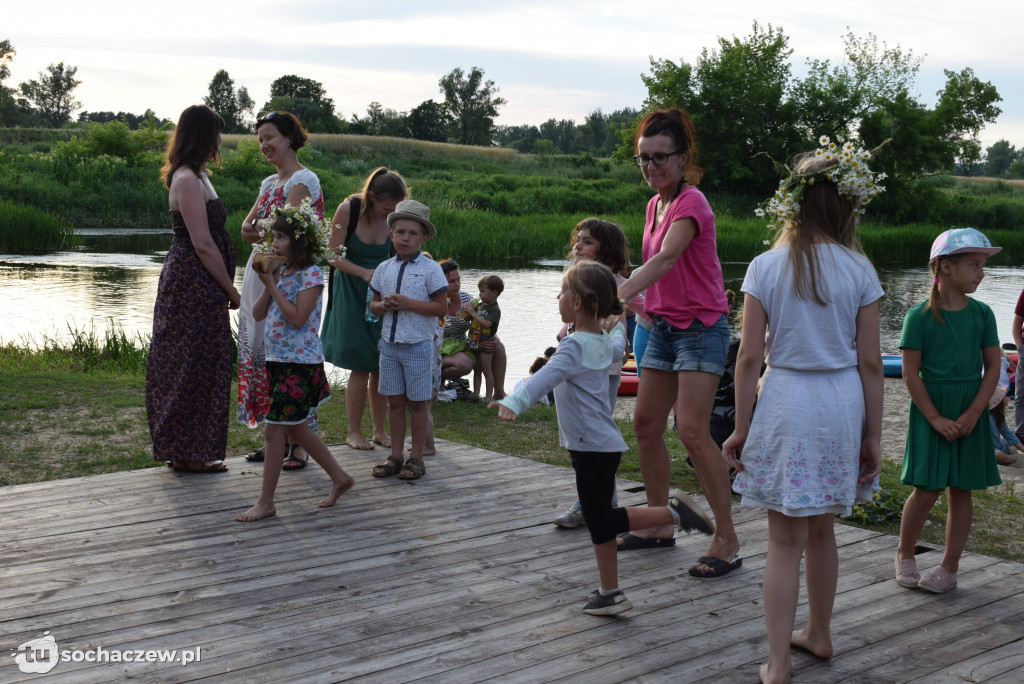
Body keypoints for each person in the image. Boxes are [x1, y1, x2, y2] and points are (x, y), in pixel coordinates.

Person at [722, 138, 885, 684]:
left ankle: (779, 660)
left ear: (792, 204)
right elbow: (868, 363)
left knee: (783, 539)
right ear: (845, 206)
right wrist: (873, 435)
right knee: (822, 532)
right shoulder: (860, 269)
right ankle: (819, 632)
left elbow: (747, 358)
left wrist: (742, 428)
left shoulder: (766, 267)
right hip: (839, 401)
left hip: (787, 400)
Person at [493, 261, 713, 616]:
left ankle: (672, 515)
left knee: (601, 520)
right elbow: (616, 344)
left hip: (591, 447)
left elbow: (544, 378)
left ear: (578, 302)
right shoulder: (600, 342)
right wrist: (617, 325)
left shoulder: (572, 347)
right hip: (601, 445)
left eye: (562, 292)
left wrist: (514, 402)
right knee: (601, 520)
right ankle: (610, 590)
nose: (558, 298)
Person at [615, 109, 737, 575]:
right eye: (642, 159)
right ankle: (659, 525)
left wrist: (617, 295)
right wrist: (634, 301)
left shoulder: (692, 203)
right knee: (645, 426)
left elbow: (666, 260)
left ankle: (726, 536)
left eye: (660, 158)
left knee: (691, 431)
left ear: (683, 159)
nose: (650, 167)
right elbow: (657, 276)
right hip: (662, 328)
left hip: (702, 329)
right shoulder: (654, 205)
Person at [896, 227, 1003, 595]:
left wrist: (976, 412)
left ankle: (949, 568)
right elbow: (910, 374)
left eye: (983, 265)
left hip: (969, 410)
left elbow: (993, 368)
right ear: (944, 266)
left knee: (962, 490)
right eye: (975, 264)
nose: (981, 272)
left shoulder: (983, 314)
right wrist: (935, 418)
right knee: (926, 490)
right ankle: (905, 553)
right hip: (932, 410)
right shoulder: (919, 317)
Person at [236, 202, 355, 521]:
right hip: (277, 361)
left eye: (281, 237)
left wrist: (274, 287)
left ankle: (266, 502)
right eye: (273, 236)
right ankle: (340, 478)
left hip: (300, 364)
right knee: (297, 428)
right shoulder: (282, 271)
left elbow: (299, 319)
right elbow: (260, 314)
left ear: (300, 242)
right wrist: (268, 281)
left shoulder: (310, 275)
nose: (273, 243)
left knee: (275, 431)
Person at [146, 104, 239, 473]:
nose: (220, 139)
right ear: (203, 135)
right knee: (189, 363)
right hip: (191, 285)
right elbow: (201, 243)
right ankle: (186, 452)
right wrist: (231, 290)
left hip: (201, 284)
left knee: (205, 361)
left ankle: (194, 450)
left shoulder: (199, 175)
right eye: (216, 132)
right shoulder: (185, 178)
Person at [237, 111, 324, 471]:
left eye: (270, 137)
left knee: (291, 353)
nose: (264, 145)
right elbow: (246, 229)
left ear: (289, 138)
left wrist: (265, 230)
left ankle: (299, 445)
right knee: (263, 349)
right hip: (260, 270)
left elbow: (283, 230)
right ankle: (274, 439)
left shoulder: (303, 179)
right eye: (259, 139)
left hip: (288, 275)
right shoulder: (269, 182)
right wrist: (264, 229)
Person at [553, 218, 635, 529]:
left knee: (594, 437)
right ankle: (596, 501)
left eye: (588, 242)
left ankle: (599, 503)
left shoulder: (610, 282)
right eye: (578, 240)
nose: (578, 246)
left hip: (601, 369)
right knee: (582, 438)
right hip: (579, 367)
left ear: (607, 250)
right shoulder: (580, 278)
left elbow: (619, 325)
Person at [321, 167, 410, 450]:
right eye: (387, 208)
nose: (391, 214)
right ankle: (353, 432)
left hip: (381, 295)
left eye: (396, 208)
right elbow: (331, 255)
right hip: (350, 291)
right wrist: (361, 273)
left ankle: (379, 431)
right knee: (360, 364)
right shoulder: (348, 209)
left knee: (381, 363)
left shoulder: (393, 216)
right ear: (371, 197)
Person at [368, 200, 448, 481]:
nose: (405, 238)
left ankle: (416, 457)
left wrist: (408, 303)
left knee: (418, 403)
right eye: (400, 232)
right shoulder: (383, 268)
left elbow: (442, 308)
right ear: (391, 235)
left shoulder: (430, 269)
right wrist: (384, 306)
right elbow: (373, 305)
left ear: (424, 238)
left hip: (417, 345)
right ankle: (396, 455)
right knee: (395, 403)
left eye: (413, 234)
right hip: (389, 346)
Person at [438, 259, 508, 399]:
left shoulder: (467, 299)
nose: (456, 284)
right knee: (462, 364)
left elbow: (484, 320)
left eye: (458, 279)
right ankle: (436, 374)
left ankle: (499, 393)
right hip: (439, 345)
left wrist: (494, 337)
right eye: (451, 281)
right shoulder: (434, 300)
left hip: (461, 345)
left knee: (497, 346)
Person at [466, 274, 504, 402]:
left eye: (483, 291)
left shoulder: (495, 309)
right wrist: (466, 312)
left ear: (494, 292)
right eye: (479, 291)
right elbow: (468, 319)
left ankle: (488, 397)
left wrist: (473, 313)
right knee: (477, 369)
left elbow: (487, 324)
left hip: (485, 343)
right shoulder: (480, 305)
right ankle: (476, 395)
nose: (480, 294)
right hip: (474, 340)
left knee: (487, 371)